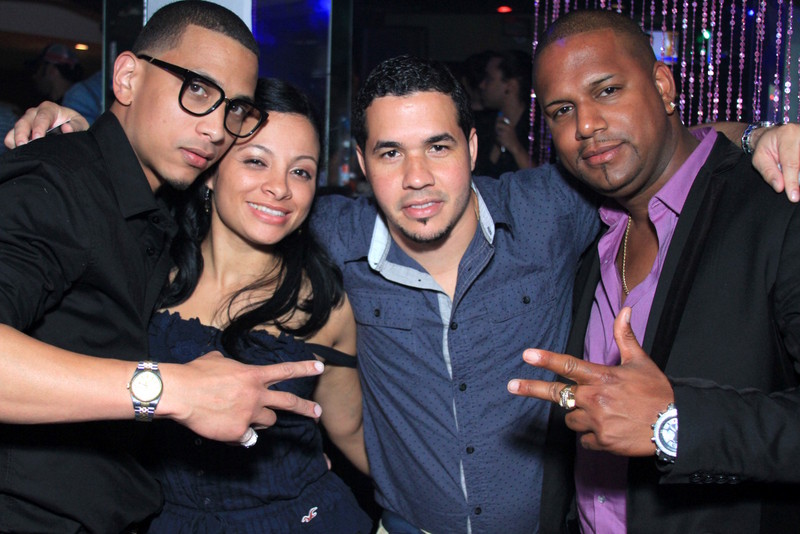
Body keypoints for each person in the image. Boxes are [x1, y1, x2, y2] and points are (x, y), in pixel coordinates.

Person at [8, 55, 800, 534]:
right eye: (389, 153)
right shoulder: (326, 233)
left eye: (438, 147)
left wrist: (764, 137)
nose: (417, 178)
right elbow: (198, 184)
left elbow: (649, 149)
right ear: (360, 163)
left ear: (475, 147)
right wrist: (84, 133)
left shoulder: (550, 210)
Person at [0, 2, 323, 532]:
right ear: (127, 77)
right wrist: (177, 391)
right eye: (196, 89)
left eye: (234, 109)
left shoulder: (159, 203)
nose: (216, 128)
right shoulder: (58, 184)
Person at [507, 10, 800, 533]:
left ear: (663, 86)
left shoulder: (776, 210)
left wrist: (675, 424)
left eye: (607, 90)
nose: (586, 125)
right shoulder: (587, 231)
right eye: (562, 110)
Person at [144, 77, 373, 533]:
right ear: (210, 171)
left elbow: (351, 431)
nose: (280, 188)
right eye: (256, 161)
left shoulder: (323, 304)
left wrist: (447, 508)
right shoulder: (147, 271)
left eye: (301, 171)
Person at [475, 49, 534, 176]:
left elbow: (544, 181)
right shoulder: (483, 124)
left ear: (510, 85)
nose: (482, 85)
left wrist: (516, 148)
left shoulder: (538, 130)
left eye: (489, 79)